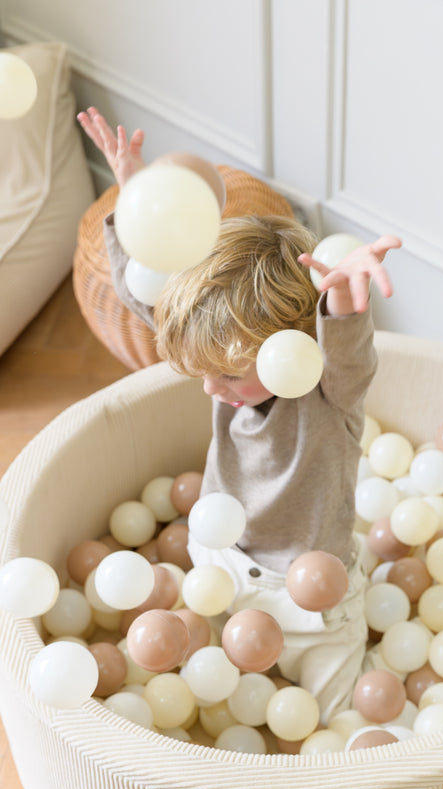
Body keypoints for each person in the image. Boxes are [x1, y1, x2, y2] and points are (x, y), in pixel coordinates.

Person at [78, 108, 402, 722]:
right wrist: (136, 198)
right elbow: (144, 294)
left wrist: (344, 304)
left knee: (333, 718)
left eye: (228, 375)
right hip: (220, 563)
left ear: (292, 351)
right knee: (190, 679)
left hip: (313, 600)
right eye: (204, 371)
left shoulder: (327, 394)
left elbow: (348, 359)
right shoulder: (221, 357)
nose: (210, 388)